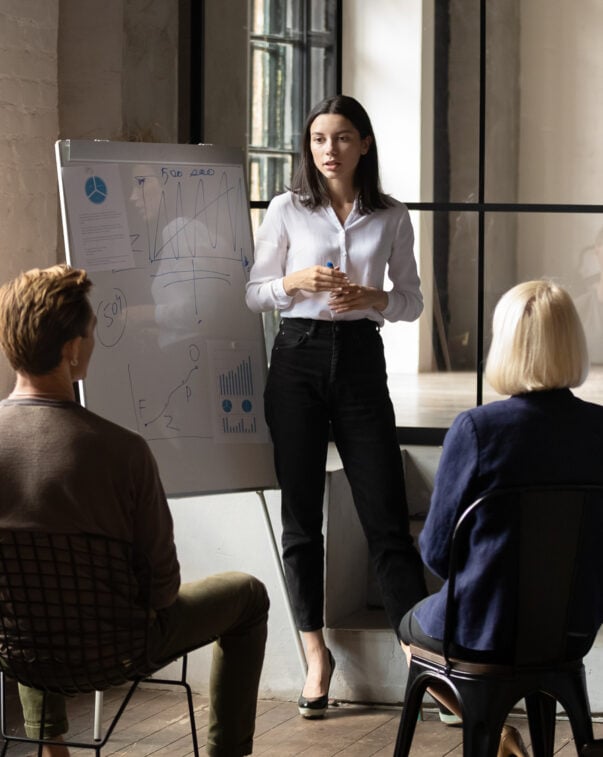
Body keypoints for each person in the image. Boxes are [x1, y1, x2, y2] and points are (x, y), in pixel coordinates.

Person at [0, 264, 269, 757]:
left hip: (18, 653)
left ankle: (49, 745)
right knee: (249, 598)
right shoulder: (122, 451)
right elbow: (163, 588)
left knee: (28, 587)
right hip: (119, 652)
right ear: (72, 349)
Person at [245, 94, 427, 718]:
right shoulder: (287, 209)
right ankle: (315, 656)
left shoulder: (392, 217)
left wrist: (374, 296)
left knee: (385, 515)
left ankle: (418, 659)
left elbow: (412, 303)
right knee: (301, 517)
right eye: (319, 138)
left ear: (364, 145)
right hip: (294, 359)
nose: (329, 149)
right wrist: (292, 284)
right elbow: (252, 294)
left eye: (342, 137)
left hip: (358, 359)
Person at [398, 280, 603, 757]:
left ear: (505, 345)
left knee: (408, 629)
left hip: (483, 628)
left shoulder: (477, 430)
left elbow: (436, 554)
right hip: (572, 631)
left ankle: (487, 726)